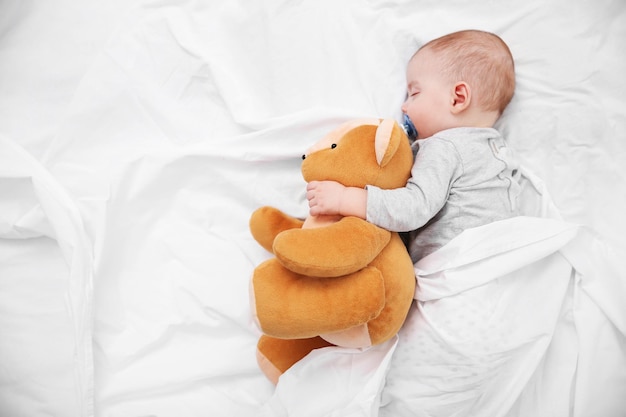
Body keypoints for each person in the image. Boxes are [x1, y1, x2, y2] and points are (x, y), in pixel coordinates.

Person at [306, 29, 521, 262]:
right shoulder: (499, 151)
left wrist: (345, 199)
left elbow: (414, 208)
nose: (404, 107)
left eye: (414, 93)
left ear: (457, 98)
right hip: (502, 261)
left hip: (458, 266)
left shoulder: (445, 146)